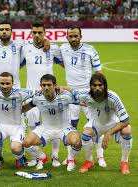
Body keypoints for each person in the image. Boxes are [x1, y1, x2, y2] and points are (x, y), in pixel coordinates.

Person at [59, 26, 106, 167]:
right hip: (71, 94)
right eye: (70, 36)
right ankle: (70, 157)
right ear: (67, 37)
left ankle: (100, 156)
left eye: (76, 36)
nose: (73, 39)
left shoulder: (90, 50)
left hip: (88, 94)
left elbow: (99, 73)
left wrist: (99, 93)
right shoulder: (62, 49)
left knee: (96, 125)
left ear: (81, 36)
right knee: (70, 125)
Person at [20, 21, 63, 168]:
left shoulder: (53, 48)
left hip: (51, 95)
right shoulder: (25, 48)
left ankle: (55, 156)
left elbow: (65, 64)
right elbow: (15, 64)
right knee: (33, 126)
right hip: (32, 95)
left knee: (54, 125)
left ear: (45, 34)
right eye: (34, 32)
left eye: (40, 33)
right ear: (31, 33)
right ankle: (37, 156)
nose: (37, 35)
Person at [74, 73, 132, 174]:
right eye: (94, 85)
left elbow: (126, 120)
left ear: (105, 86)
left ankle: (124, 162)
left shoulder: (113, 97)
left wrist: (109, 133)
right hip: (96, 123)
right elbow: (72, 92)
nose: (97, 88)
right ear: (90, 86)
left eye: (100, 85)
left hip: (112, 123)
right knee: (86, 133)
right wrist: (60, 88)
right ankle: (89, 161)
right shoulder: (84, 95)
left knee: (127, 130)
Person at [22, 74, 82, 171]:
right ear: (40, 86)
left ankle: (70, 160)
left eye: (49, 85)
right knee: (26, 143)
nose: (46, 87)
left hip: (64, 127)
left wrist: (66, 87)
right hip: (45, 128)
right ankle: (42, 156)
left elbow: (82, 100)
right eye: (43, 85)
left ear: (55, 85)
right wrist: (15, 109)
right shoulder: (37, 98)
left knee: (77, 143)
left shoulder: (65, 96)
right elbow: (26, 108)